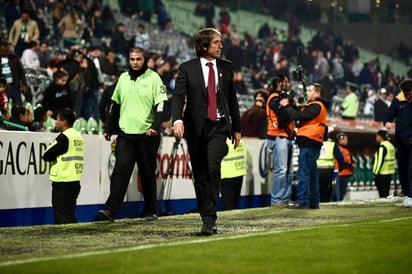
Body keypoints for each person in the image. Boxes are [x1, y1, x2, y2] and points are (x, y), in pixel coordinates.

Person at [172, 28, 242, 235]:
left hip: (219, 126)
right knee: (201, 173)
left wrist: (237, 128)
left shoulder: (226, 67)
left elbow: (232, 100)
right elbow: (178, 96)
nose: (221, 46)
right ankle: (206, 217)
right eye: (216, 43)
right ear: (204, 46)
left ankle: (210, 218)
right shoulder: (187, 68)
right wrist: (177, 119)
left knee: (212, 167)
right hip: (195, 128)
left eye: (221, 42)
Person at [98, 47, 168, 222]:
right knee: (120, 172)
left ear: (144, 60)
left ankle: (150, 210)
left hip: (147, 135)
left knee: (146, 173)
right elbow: (114, 105)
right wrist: (109, 129)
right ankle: (110, 210)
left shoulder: (154, 78)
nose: (135, 62)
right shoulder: (123, 78)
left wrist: (155, 126)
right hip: (126, 135)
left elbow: (160, 106)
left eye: (138, 59)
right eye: (132, 59)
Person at [280, 83, 329, 209]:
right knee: (311, 173)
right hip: (313, 141)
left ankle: (302, 201)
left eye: (311, 90)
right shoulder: (318, 106)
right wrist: (294, 106)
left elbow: (300, 116)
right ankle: (313, 202)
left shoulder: (317, 105)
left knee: (304, 173)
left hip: (309, 141)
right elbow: (302, 112)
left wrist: (287, 107)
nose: (307, 92)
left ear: (318, 94)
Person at [42, 108, 84, 224]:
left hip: (63, 182)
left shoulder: (64, 137)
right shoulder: (78, 137)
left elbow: (46, 155)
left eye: (57, 119)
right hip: (75, 181)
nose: (55, 122)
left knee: (62, 219)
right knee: (70, 215)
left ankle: (67, 241)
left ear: (64, 122)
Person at [266, 74, 295, 208]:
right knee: (281, 170)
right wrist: (287, 105)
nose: (287, 83)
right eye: (285, 81)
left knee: (288, 171)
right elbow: (284, 114)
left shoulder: (284, 98)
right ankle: (277, 200)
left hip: (287, 136)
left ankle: (285, 198)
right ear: (278, 83)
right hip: (278, 136)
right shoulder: (273, 98)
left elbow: (292, 112)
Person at [384, 79, 412, 207]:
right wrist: (387, 122)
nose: (407, 95)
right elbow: (389, 114)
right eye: (405, 92)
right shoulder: (398, 100)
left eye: (409, 92)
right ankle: (406, 194)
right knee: (402, 168)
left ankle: (411, 195)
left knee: (411, 169)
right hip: (401, 140)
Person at [0, 40, 30, 107]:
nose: (5, 53)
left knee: (18, 106)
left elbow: (21, 72)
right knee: (4, 106)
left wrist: (24, 84)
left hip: (14, 86)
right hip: (2, 88)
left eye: (7, 51)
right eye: (3, 51)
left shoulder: (14, 58)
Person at [220, 138, 247, 210]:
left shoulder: (224, 142)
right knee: (235, 205)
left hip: (228, 176)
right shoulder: (240, 141)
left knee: (228, 207)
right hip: (239, 173)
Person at [317, 138, 343, 202]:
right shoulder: (332, 143)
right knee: (327, 188)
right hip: (328, 169)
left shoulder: (314, 141)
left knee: (316, 188)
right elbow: (340, 158)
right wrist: (341, 168)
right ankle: (325, 202)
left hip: (316, 169)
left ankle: (317, 202)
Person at [373, 129, 396, 198]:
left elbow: (379, 161)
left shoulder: (382, 147)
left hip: (382, 173)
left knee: (382, 194)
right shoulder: (391, 145)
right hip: (389, 172)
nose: (376, 138)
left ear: (380, 137)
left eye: (377, 136)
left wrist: (375, 173)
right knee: (386, 192)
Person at [334, 132, 355, 201]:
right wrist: (350, 165)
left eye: (346, 139)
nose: (346, 141)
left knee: (342, 192)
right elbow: (341, 161)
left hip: (346, 173)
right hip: (340, 173)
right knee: (338, 192)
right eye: (344, 139)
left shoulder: (346, 149)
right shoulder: (338, 149)